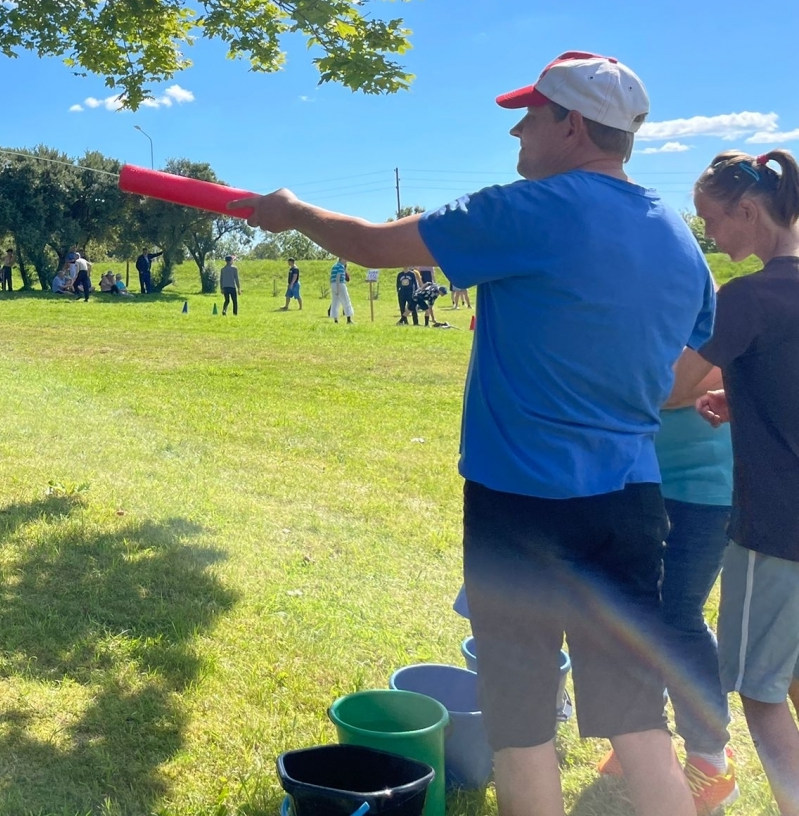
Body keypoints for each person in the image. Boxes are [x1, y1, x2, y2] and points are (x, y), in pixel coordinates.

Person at [232, 51, 711, 816]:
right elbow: (691, 374)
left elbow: (377, 248)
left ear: (573, 124)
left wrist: (295, 213)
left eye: (531, 114)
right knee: (637, 722)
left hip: (520, 504)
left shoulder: (531, 208)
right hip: (631, 501)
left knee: (520, 725)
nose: (518, 131)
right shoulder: (680, 239)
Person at [670, 149, 799, 815]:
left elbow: (672, 390)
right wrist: (740, 397)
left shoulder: (747, 297)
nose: (712, 239)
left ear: (749, 212)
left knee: (759, 689)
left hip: (775, 529)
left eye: (713, 222)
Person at [596, 389, 737, 812]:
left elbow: (672, 381)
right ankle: (645, 737)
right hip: (640, 480)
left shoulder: (715, 319)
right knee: (640, 612)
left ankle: (710, 759)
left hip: (702, 490)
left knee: (679, 617)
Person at [329, 258, 354, 324]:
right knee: (346, 301)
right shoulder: (341, 266)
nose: (346, 261)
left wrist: (334, 288)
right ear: (341, 259)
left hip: (333, 284)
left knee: (335, 302)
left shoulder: (334, 266)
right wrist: (338, 289)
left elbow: (331, 277)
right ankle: (349, 320)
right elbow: (338, 277)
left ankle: (335, 320)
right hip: (340, 284)